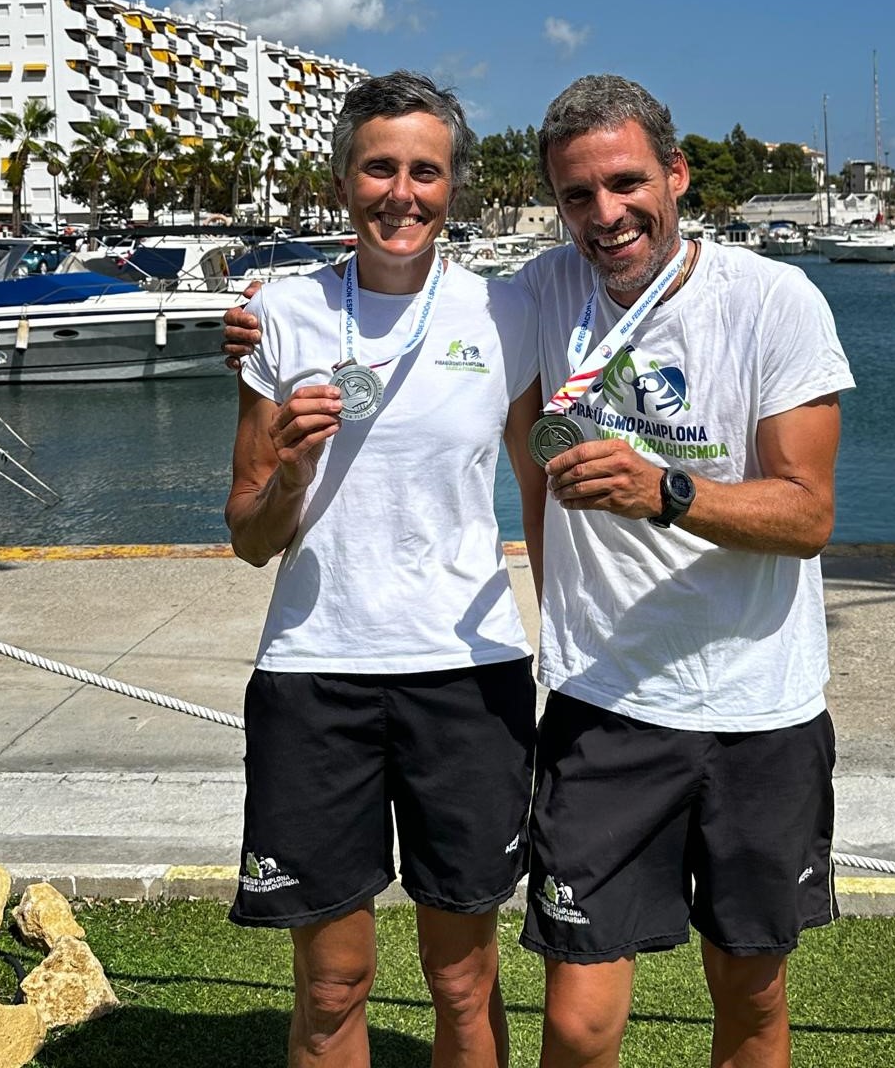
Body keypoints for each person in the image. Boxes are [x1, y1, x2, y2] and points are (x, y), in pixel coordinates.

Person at [226, 73, 855, 1068]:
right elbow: (265, 510)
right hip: (577, 700)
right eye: (577, 197)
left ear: (677, 176)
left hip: (723, 705)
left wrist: (667, 491)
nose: (605, 215)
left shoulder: (749, 301)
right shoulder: (480, 301)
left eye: (626, 185)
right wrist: (270, 361)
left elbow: (807, 513)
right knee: (532, 1015)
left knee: (741, 994)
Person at [224, 69, 545, 1068]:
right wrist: (291, 468)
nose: (401, 193)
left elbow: (543, 499)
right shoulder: (279, 315)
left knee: (462, 982)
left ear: (453, 186)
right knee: (332, 984)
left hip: (470, 675)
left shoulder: (506, 317)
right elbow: (247, 531)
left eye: (425, 171)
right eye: (379, 169)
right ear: (342, 180)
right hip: (317, 673)